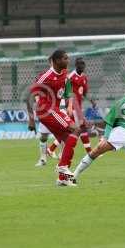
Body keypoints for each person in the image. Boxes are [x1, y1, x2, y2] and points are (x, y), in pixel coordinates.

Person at [27, 50, 80, 186]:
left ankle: (62, 179)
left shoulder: (63, 73)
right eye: (65, 58)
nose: (68, 61)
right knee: (75, 129)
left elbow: (67, 90)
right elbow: (30, 96)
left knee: (68, 139)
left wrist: (68, 104)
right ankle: (62, 167)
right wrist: (31, 119)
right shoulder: (46, 77)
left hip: (55, 110)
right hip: (47, 110)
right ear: (57, 61)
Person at [47, 57, 96, 156]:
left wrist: (92, 101)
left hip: (78, 107)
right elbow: (66, 91)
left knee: (69, 130)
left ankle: (51, 149)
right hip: (72, 107)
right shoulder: (71, 76)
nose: (82, 66)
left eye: (83, 64)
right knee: (82, 127)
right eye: (80, 64)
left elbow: (84, 92)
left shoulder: (84, 77)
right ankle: (90, 153)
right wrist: (67, 105)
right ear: (76, 65)